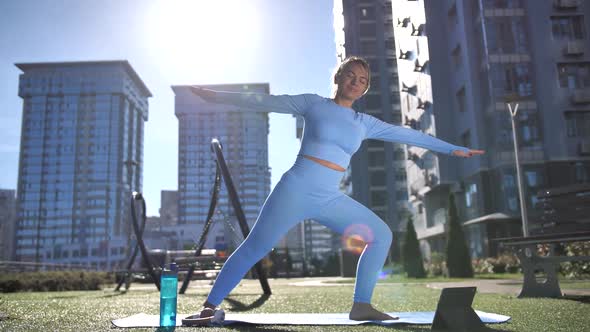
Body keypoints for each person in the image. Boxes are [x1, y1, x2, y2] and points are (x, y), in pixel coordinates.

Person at [187, 56, 484, 323]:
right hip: (295, 188)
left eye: (363, 80)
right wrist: (213, 96)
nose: (356, 83)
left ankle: (362, 305)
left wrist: (453, 149)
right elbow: (263, 101)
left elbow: (407, 134)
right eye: (351, 76)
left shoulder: (364, 123)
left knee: (381, 235)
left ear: (366, 88)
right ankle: (209, 306)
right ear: (338, 78)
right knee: (256, 247)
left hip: (329, 196)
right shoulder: (312, 104)